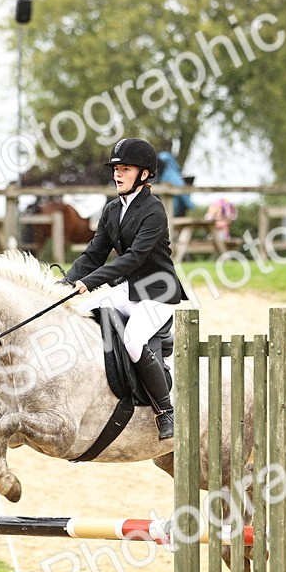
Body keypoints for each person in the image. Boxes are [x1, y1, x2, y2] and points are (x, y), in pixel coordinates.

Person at [61, 138, 182, 440]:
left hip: (157, 292)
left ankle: (165, 411)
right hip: (126, 290)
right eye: (116, 169)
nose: (117, 174)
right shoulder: (112, 209)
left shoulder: (153, 210)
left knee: (133, 341)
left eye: (125, 169)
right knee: (79, 317)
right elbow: (93, 254)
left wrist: (89, 282)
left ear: (143, 174)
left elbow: (133, 258)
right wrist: (65, 282)